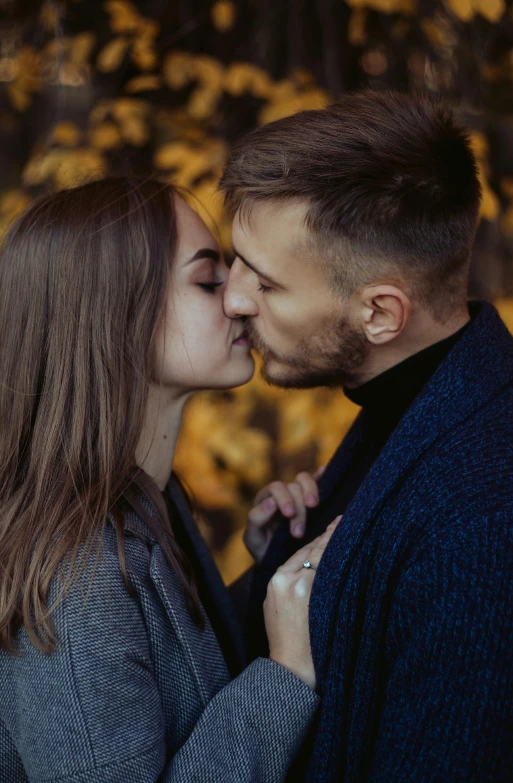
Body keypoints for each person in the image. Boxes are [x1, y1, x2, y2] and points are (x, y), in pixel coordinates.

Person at [219, 90, 513, 781]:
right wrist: (275, 559)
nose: (234, 298)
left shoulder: (487, 520)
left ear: (381, 313)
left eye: (266, 283)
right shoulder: (420, 404)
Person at [0, 177, 338, 783]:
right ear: (112, 313)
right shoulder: (79, 579)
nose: (240, 300)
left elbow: (172, 683)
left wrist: (266, 574)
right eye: (209, 281)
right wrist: (285, 674)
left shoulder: (145, 498)